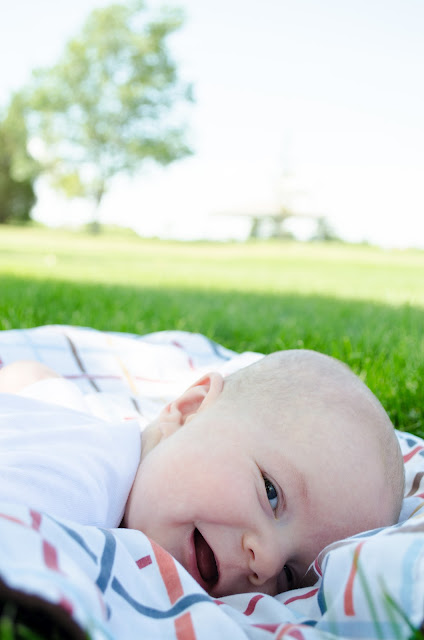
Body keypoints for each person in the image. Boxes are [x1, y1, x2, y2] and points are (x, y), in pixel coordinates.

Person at [0, 349, 404, 598]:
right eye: (270, 493)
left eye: (288, 576)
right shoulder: (70, 486)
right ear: (190, 409)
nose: (265, 562)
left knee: (40, 386)